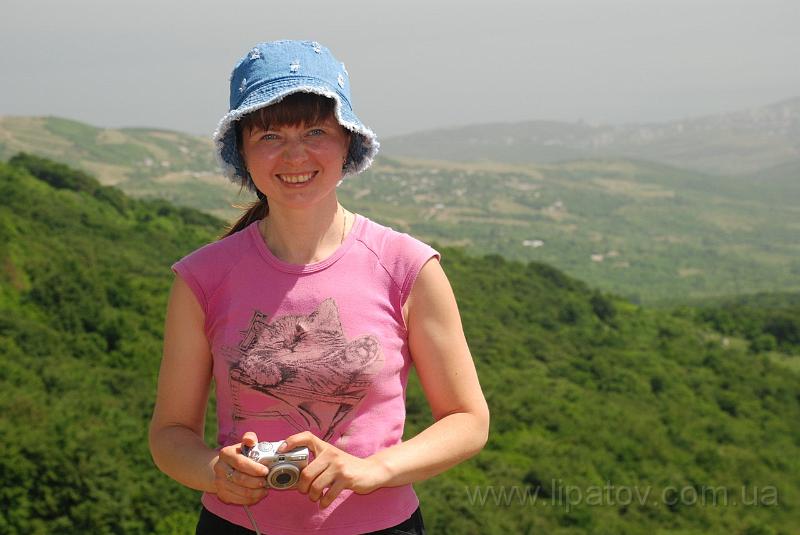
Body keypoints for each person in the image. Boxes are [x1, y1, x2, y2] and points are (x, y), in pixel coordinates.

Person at [148, 40, 489, 535]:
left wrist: (372, 470)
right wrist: (215, 471)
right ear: (243, 152)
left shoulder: (407, 267)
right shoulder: (201, 278)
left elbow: (467, 419)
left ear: (347, 143)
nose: (295, 154)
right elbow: (170, 433)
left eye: (315, 131)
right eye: (269, 135)